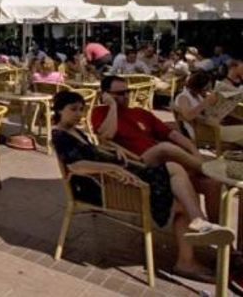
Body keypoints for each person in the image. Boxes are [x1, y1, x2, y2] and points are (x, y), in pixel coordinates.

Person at [53, 90, 233, 282]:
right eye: (73, 109)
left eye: (81, 109)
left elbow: (93, 151)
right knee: (183, 197)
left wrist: (115, 149)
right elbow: (76, 166)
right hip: (106, 189)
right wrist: (113, 167)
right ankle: (191, 247)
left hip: (116, 178)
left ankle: (197, 230)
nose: (79, 114)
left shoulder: (75, 131)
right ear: (59, 110)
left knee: (178, 178)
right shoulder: (60, 136)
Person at [92, 75, 221, 221]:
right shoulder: (100, 113)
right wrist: (113, 107)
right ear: (106, 94)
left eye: (128, 91)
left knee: (213, 183)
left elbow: (173, 134)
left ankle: (214, 228)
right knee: (165, 148)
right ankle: (208, 169)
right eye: (120, 93)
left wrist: (194, 151)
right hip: (136, 163)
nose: (126, 96)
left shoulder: (140, 113)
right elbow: (107, 135)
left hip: (163, 165)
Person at [174, 70, 243, 145]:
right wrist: (206, 102)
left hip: (210, 127)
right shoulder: (183, 97)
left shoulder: (197, 96)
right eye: (206, 88)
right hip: (206, 132)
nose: (208, 90)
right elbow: (188, 115)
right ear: (198, 87)